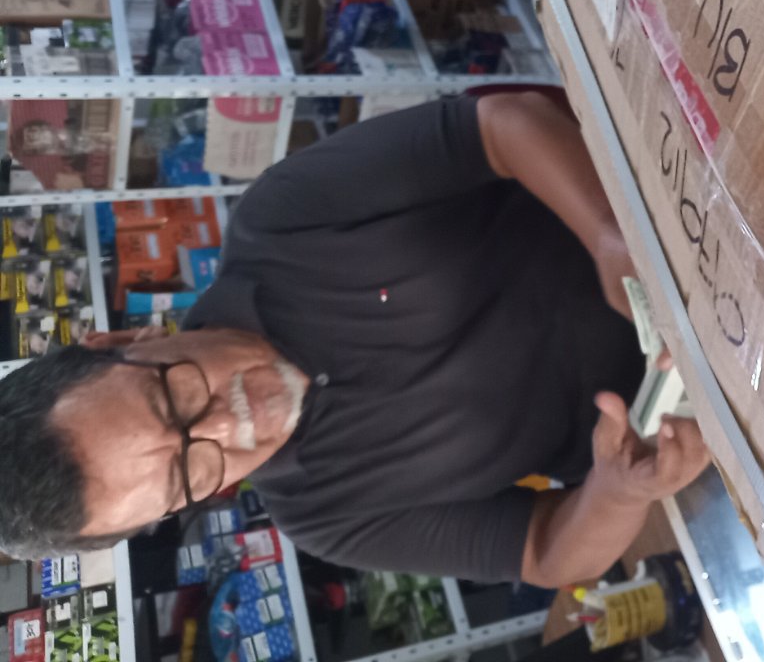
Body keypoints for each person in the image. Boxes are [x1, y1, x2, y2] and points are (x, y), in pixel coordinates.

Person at [0, 92, 710, 587]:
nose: (224, 425)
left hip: (680, 214)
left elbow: (501, 127)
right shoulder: (327, 517)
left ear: (125, 337)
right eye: (186, 476)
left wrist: (612, 237)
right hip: (703, 408)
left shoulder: (281, 222)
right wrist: (619, 491)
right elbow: (546, 554)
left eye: (174, 399)